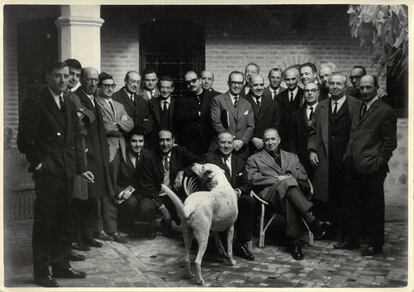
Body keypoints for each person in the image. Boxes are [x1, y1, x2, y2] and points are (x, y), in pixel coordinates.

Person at [17, 61, 90, 287]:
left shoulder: (68, 100)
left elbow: (75, 137)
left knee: (64, 220)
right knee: (45, 222)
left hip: (67, 170)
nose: (62, 80)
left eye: (65, 76)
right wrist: (38, 163)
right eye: (57, 75)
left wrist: (81, 167)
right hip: (48, 172)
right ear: (47, 77)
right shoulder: (35, 101)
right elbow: (25, 140)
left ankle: (61, 264)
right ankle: (41, 272)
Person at [246, 128, 331, 261]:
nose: (270, 142)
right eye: (267, 140)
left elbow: (303, 176)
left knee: (289, 193)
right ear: (263, 142)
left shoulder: (292, 157)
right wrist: (277, 179)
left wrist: (289, 176)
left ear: (279, 140)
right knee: (288, 184)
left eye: (273, 139)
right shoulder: (254, 159)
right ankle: (311, 219)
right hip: (270, 196)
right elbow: (252, 178)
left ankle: (293, 243)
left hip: (290, 195)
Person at [336, 75, 397, 256]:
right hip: (353, 165)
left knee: (374, 207)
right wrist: (348, 157)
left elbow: (390, 143)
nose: (364, 91)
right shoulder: (360, 107)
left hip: (372, 167)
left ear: (376, 88)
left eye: (368, 88)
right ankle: (352, 240)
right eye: (361, 88)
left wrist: (378, 162)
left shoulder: (385, 111)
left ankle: (375, 244)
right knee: (352, 204)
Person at [308, 72, 361, 239]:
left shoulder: (356, 105)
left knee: (347, 195)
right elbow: (312, 130)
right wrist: (312, 149)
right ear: (327, 86)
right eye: (332, 83)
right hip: (325, 158)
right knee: (328, 196)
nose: (335, 87)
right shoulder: (321, 106)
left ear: (345, 87)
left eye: (339, 84)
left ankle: (347, 233)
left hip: (348, 157)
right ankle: (329, 229)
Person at [74, 67, 112, 249]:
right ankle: (79, 238)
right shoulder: (77, 98)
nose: (93, 83)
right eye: (89, 79)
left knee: (93, 197)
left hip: (98, 156)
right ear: (82, 80)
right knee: (83, 199)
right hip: (86, 156)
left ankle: (89, 235)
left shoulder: (93, 99)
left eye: (95, 80)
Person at [202, 132, 256, 260]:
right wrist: (206, 185)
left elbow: (247, 183)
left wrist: (238, 192)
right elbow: (199, 178)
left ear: (233, 144)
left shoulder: (240, 161)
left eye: (229, 143)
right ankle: (220, 245)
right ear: (217, 143)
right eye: (223, 142)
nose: (226, 146)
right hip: (216, 199)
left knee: (249, 201)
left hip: (234, 198)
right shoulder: (208, 158)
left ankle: (241, 244)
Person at [95, 72, 134, 243]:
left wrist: (118, 124)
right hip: (105, 151)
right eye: (106, 86)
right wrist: (119, 125)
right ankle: (106, 229)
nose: (110, 88)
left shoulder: (118, 105)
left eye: (112, 86)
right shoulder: (96, 103)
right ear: (100, 87)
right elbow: (104, 126)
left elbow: (130, 123)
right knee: (106, 189)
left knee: (115, 188)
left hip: (121, 151)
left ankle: (112, 228)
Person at [64, 58, 95, 262]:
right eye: (71, 75)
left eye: (76, 75)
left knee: (78, 198)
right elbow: (78, 121)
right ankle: (70, 242)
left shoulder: (73, 97)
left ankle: (73, 241)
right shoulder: (69, 96)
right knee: (71, 200)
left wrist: (82, 114)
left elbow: (89, 117)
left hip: (78, 149)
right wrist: (81, 116)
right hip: (68, 152)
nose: (73, 79)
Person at [140, 129, 200, 235]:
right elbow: (148, 186)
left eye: (168, 140)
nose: (165, 144)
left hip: (171, 194)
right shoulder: (149, 156)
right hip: (154, 194)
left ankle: (167, 221)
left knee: (188, 207)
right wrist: (164, 211)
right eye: (161, 140)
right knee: (146, 206)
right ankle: (152, 223)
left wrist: (182, 172)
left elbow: (199, 162)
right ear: (157, 141)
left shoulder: (180, 151)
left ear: (173, 141)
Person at [115, 130, 157, 239]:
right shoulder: (120, 155)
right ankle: (128, 225)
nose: (138, 145)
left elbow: (155, 179)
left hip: (145, 192)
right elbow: (111, 179)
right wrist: (120, 192)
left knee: (146, 207)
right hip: (128, 192)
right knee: (130, 203)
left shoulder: (149, 155)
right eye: (134, 141)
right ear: (128, 142)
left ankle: (150, 226)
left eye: (140, 141)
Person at [210, 71, 254, 160]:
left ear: (243, 84)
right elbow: (216, 123)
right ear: (228, 83)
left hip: (241, 150)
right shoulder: (218, 100)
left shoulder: (247, 104)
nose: (237, 86)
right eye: (234, 82)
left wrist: (242, 141)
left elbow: (251, 126)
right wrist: (231, 140)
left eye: (240, 83)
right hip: (222, 148)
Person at [174, 71, 215, 155]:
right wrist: (198, 114)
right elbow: (179, 119)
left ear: (200, 80)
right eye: (188, 82)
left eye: (194, 81)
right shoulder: (181, 101)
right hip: (190, 146)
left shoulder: (213, 97)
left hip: (210, 144)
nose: (191, 84)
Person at [288, 82, 320, 177]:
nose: (309, 93)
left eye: (313, 90)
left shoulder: (325, 111)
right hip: (301, 159)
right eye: (307, 91)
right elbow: (291, 138)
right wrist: (294, 158)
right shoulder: (296, 114)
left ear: (318, 93)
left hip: (320, 158)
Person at [245, 74, 279, 153]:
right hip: (248, 148)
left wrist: (266, 139)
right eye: (255, 85)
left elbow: (275, 123)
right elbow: (240, 125)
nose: (259, 88)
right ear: (250, 86)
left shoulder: (272, 103)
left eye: (261, 85)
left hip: (267, 146)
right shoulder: (242, 102)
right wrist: (252, 138)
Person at [112, 71, 153, 136]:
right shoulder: (114, 98)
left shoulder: (142, 101)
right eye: (132, 81)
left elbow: (149, 118)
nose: (135, 85)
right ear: (125, 81)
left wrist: (143, 130)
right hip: (122, 138)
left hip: (139, 140)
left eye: (138, 82)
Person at [276, 67, 304, 150]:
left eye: (293, 79)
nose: (290, 82)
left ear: (298, 79)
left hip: (300, 138)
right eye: (288, 80)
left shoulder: (304, 95)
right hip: (284, 139)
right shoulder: (279, 97)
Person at [148, 75, 176, 148]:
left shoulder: (178, 103)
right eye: (162, 87)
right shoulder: (151, 103)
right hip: (155, 143)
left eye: (168, 88)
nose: (165, 90)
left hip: (172, 144)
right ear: (158, 88)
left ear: (172, 89)